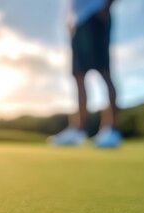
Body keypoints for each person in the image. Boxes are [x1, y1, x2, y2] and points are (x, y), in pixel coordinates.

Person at [50, 0, 122, 147]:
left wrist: (106, 6)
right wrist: (70, 19)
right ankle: (78, 130)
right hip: (78, 21)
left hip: (96, 15)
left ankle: (111, 130)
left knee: (104, 72)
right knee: (79, 75)